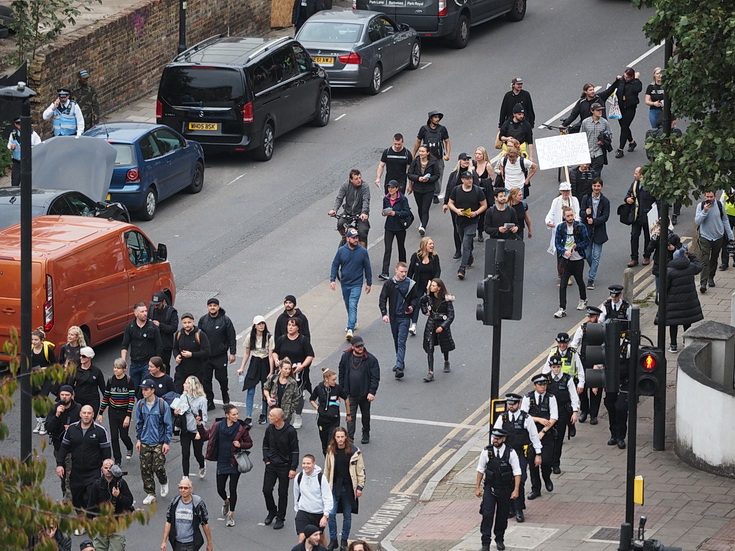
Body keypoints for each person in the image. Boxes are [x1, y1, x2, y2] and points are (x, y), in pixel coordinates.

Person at [493, 394, 542, 523]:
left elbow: (534, 437)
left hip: (521, 453)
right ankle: (510, 508)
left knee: (519, 481)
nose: (511, 406)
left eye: (513, 404)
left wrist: (538, 454)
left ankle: (519, 509)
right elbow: (496, 435)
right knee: (507, 480)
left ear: (519, 404)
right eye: (509, 403)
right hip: (506, 454)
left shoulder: (526, 418)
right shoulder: (502, 418)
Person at [56, 404, 112, 512]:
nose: (86, 415)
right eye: (84, 413)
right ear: (80, 414)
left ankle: (91, 521)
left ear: (93, 415)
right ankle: (81, 521)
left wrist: (106, 469)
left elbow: (106, 453)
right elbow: (63, 448)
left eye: (89, 413)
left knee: (91, 498)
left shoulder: (100, 431)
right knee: (77, 500)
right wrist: (59, 464)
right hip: (76, 471)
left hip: (93, 472)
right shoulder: (72, 429)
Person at [205, 403, 253, 528]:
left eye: (237, 414)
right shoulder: (218, 426)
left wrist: (240, 445)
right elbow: (208, 434)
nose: (236, 416)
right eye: (234, 414)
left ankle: (231, 514)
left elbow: (249, 443)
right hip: (222, 461)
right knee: (220, 489)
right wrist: (199, 426)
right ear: (227, 416)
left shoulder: (241, 428)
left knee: (233, 488)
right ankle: (226, 501)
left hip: (234, 462)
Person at [475, 428, 522, 551]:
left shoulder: (510, 453)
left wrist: (516, 489)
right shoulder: (486, 451)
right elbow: (480, 469)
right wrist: (477, 488)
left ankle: (499, 539)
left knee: (502, 515)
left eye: (497, 438)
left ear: (503, 439)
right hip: (490, 488)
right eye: (494, 438)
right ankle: (485, 543)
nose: (495, 440)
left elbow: (517, 472)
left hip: (505, 488)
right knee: (487, 514)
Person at [323, 427, 365, 551]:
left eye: (342, 437)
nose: (340, 439)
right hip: (334, 486)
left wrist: (359, 487)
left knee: (347, 516)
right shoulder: (331, 450)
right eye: (338, 437)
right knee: (331, 514)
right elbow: (327, 470)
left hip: (348, 487)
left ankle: (344, 541)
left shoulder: (355, 451)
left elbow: (360, 471)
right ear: (334, 438)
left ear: (346, 437)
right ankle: (333, 540)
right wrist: (324, 487)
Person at [330, 227, 372, 341]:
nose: (356, 240)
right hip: (345, 283)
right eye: (353, 238)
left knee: (353, 304)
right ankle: (353, 321)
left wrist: (369, 282)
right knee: (348, 304)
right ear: (347, 238)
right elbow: (335, 265)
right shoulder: (341, 251)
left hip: (357, 283)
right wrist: (332, 280)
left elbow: (367, 267)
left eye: (357, 238)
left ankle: (350, 329)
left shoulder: (363, 252)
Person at [136, 378, 174, 505]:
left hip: (158, 441)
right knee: (145, 468)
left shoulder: (163, 405)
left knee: (158, 467)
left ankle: (163, 481)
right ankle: (150, 493)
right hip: (145, 441)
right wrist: (138, 439)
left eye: (146, 389)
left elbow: (168, 425)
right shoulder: (141, 404)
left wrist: (166, 442)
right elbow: (139, 423)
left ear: (153, 390)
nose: (143, 392)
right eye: (142, 389)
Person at [379, 262, 419, 379]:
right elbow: (383, 298)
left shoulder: (410, 284)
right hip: (393, 317)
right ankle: (400, 360)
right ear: (396, 270)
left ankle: (399, 366)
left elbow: (416, 298)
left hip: (404, 317)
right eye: (401, 271)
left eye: (405, 272)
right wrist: (384, 314)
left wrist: (411, 306)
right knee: (396, 340)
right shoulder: (389, 284)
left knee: (401, 341)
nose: (403, 274)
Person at [262, 407, 300, 531]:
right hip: (271, 465)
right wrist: (266, 460)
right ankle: (272, 511)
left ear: (277, 418)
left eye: (271, 415)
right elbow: (265, 445)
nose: (268, 417)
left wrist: (293, 468)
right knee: (266, 490)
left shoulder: (290, 431)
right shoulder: (270, 429)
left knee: (282, 493)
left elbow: (295, 450)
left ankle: (280, 518)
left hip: (285, 466)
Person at [273, 318, 315, 429]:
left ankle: (298, 415)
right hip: (283, 371)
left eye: (293, 325)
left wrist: (302, 366)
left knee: (298, 394)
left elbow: (310, 355)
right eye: (288, 325)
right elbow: (275, 352)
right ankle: (281, 414)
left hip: (297, 372)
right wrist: (277, 360)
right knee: (281, 392)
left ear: (298, 328)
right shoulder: (281, 339)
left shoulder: (303, 340)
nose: (290, 327)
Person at [521, 374, 558, 500]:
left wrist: (543, 431)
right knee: (532, 464)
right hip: (531, 435)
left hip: (546, 434)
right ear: (535, 385)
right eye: (540, 385)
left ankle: (547, 478)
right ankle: (535, 489)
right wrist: (539, 419)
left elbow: (554, 417)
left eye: (544, 384)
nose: (543, 387)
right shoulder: (528, 397)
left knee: (546, 461)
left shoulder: (551, 398)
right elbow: (524, 416)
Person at [337, 336, 380, 444]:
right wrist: (341, 391)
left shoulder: (371, 359)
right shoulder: (346, 357)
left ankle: (366, 432)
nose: (360, 348)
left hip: (365, 394)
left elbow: (375, 377)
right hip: (350, 394)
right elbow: (341, 373)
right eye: (358, 346)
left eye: (361, 345)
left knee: (365, 415)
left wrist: (372, 392)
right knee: (350, 417)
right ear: (352, 347)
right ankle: (350, 438)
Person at [448, 170, 488, 280]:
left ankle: (462, 269)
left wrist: (475, 213)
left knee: (466, 243)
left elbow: (484, 205)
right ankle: (469, 258)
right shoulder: (457, 190)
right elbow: (450, 203)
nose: (469, 180)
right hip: (460, 221)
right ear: (462, 180)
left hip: (472, 221)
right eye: (467, 179)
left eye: (470, 178)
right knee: (464, 242)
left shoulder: (477, 191)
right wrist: (457, 210)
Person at [198, 298, 236, 411]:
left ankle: (226, 399)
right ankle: (210, 401)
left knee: (222, 379)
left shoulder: (225, 320)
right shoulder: (203, 320)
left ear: (218, 307)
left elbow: (231, 337)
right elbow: (198, 336)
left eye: (214, 305)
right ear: (207, 307)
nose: (212, 307)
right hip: (206, 357)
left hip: (220, 356)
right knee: (206, 380)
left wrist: (232, 353)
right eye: (210, 305)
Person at [87, 460, 134, 551]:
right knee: (100, 548)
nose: (108, 470)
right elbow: (91, 505)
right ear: (102, 469)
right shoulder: (97, 485)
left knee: (117, 547)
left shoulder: (121, 483)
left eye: (110, 468)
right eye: (106, 468)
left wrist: (119, 496)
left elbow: (129, 501)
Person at [45, 384, 81, 501]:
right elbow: (48, 428)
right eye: (62, 395)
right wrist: (56, 415)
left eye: (67, 395)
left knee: (70, 476)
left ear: (72, 396)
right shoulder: (54, 408)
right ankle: (66, 495)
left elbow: (85, 427)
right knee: (63, 475)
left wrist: (72, 429)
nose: (64, 397)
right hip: (59, 447)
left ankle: (69, 499)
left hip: (73, 448)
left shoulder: (78, 408)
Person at [545, 356, 580, 475]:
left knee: (559, 439)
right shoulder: (545, 379)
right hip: (548, 413)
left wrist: (575, 412)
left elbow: (573, 396)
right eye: (554, 367)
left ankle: (556, 464)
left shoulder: (567, 379)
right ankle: (548, 463)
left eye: (558, 367)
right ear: (550, 367)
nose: (556, 369)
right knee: (549, 439)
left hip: (562, 412)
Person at [97, 358, 136, 466]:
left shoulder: (129, 381)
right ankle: (117, 459)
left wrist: (128, 415)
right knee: (114, 437)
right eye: (114, 368)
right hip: (113, 411)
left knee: (123, 435)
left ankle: (129, 446)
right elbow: (106, 397)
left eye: (118, 368)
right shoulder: (110, 380)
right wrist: (101, 413)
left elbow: (131, 399)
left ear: (124, 369)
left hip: (124, 411)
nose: (116, 370)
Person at [238, 315, 275, 425]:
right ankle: (248, 415)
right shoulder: (250, 337)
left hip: (265, 363)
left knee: (265, 390)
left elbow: (270, 355)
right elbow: (247, 353)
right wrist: (242, 367)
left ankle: (264, 413)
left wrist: (271, 371)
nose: (261, 325)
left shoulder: (269, 337)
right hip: (254, 362)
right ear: (254, 325)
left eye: (263, 323)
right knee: (250, 389)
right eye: (259, 324)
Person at [665, 247, 703, 352]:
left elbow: (665, 287)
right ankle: (686, 342)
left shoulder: (669, 270)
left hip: (674, 302)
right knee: (687, 322)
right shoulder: (690, 267)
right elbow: (699, 266)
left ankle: (673, 345)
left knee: (673, 324)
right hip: (688, 300)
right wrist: (692, 256)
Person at [554, 206, 590, 318]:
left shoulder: (580, 226)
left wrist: (577, 246)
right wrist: (564, 252)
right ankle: (562, 308)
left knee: (579, 280)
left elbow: (586, 241)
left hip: (578, 259)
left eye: (571, 215)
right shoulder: (560, 227)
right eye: (568, 216)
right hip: (565, 260)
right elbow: (557, 243)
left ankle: (583, 299)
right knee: (563, 284)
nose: (570, 218)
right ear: (564, 217)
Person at [570, 306, 604, 424]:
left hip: (597, 362)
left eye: (592, 316)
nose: (589, 318)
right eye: (588, 316)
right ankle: (584, 410)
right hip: (583, 361)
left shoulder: (602, 329)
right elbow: (574, 345)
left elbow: (605, 347)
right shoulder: (582, 328)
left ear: (598, 317)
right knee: (582, 387)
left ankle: (594, 414)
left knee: (596, 389)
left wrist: (599, 364)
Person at [695, 190, 734, 293]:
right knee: (704, 259)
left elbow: (725, 220)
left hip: (718, 236)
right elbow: (697, 221)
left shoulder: (720, 205)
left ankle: (711, 277)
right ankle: (703, 282)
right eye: (707, 196)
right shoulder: (700, 206)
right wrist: (704, 211)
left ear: (715, 197)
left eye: (711, 197)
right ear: (704, 196)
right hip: (705, 236)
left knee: (714, 258)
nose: (709, 199)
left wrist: (731, 236)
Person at [161, 477, 213, 551]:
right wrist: (164, 541)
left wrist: (209, 543)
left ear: (191, 489)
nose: (183, 490)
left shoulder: (197, 503)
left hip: (191, 544)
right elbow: (168, 522)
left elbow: (204, 523)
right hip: (177, 543)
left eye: (185, 488)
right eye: (180, 488)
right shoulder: (174, 502)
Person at [419, 278, 455, 382]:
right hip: (431, 323)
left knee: (445, 345)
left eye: (434, 286)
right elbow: (421, 302)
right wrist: (425, 311)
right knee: (430, 348)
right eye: (431, 286)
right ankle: (430, 372)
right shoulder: (429, 297)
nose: (431, 287)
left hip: (441, 323)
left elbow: (451, 316)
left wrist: (442, 326)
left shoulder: (446, 300)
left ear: (439, 288)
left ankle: (446, 361)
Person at [601, 67, 642, 158]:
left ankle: (620, 149)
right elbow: (610, 89)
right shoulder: (620, 81)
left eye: (628, 77)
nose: (626, 78)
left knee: (624, 127)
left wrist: (636, 79)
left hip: (630, 108)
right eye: (625, 76)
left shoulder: (635, 83)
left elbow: (638, 89)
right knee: (624, 126)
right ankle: (631, 142)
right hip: (620, 108)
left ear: (632, 77)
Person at [121, 302, 163, 391]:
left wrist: (156, 363)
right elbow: (125, 345)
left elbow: (159, 345)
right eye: (142, 312)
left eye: (145, 311)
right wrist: (123, 360)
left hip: (147, 364)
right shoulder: (130, 327)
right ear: (135, 314)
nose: (145, 313)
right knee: (134, 389)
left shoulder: (152, 327)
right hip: (134, 364)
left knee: (146, 388)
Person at [412, 109, 450, 205]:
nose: (437, 119)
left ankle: (435, 194)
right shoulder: (424, 129)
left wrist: (447, 153)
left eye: (438, 117)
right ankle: (427, 192)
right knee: (425, 174)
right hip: (426, 157)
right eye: (435, 117)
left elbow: (447, 141)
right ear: (430, 119)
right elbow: (418, 141)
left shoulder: (442, 129)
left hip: (438, 157)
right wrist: (413, 154)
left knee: (438, 175)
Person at [293, 454, 333, 544]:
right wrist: (297, 511)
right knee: (302, 538)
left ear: (314, 464)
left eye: (308, 463)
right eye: (303, 463)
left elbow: (328, 498)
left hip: (318, 513)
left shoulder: (321, 478)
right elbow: (296, 495)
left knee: (319, 540)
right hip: (303, 512)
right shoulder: (299, 477)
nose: (305, 466)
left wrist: (325, 516)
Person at [443, 154, 478, 257]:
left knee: (468, 227)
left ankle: (468, 248)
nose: (466, 161)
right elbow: (449, 189)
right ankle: (458, 249)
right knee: (457, 228)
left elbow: (477, 188)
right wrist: (446, 203)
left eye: (468, 159)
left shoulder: (472, 174)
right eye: (464, 159)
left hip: (469, 205)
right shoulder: (454, 174)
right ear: (459, 161)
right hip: (455, 205)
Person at [545, 182, 580, 281]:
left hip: (571, 231)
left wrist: (576, 224)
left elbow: (577, 213)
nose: (566, 193)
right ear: (560, 191)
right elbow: (551, 213)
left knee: (570, 253)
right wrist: (548, 221)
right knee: (561, 253)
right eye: (564, 191)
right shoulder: (556, 201)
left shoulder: (574, 200)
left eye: (567, 191)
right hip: (560, 231)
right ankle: (563, 275)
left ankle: (568, 273)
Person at [579, 177, 610, 290]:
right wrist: (585, 213)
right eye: (594, 186)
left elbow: (606, 216)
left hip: (599, 231)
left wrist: (595, 221)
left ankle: (591, 279)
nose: (596, 188)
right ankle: (593, 268)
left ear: (601, 187)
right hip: (587, 231)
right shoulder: (586, 198)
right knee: (587, 255)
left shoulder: (605, 201)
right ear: (592, 186)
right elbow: (581, 213)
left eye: (598, 186)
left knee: (596, 256)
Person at [175, 376, 209, 480]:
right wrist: (176, 413)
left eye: (186, 383)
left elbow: (204, 417)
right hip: (185, 430)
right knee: (185, 453)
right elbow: (180, 413)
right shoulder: (183, 397)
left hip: (196, 431)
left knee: (197, 453)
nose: (184, 385)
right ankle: (185, 476)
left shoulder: (202, 400)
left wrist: (200, 431)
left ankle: (202, 465)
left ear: (192, 386)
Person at [310, 369, 350, 455]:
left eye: (335, 379)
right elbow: (312, 399)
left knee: (330, 444)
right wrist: (318, 408)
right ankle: (327, 461)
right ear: (326, 379)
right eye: (333, 380)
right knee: (324, 444)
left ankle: (332, 462)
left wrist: (348, 414)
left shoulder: (337, 388)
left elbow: (346, 399)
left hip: (334, 420)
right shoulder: (319, 388)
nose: (335, 382)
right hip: (322, 421)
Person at [378, 180, 412, 280]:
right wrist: (384, 213)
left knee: (401, 247)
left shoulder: (402, 199)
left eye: (392, 187)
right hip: (389, 227)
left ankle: (403, 270)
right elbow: (384, 209)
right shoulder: (386, 199)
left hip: (400, 227)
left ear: (397, 188)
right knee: (387, 249)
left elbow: (407, 212)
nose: (390, 189)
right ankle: (385, 272)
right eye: (389, 187)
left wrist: (396, 213)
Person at [407, 237, 441, 334]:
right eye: (430, 244)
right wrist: (408, 284)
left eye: (433, 244)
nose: (432, 246)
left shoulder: (435, 257)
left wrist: (433, 282)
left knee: (433, 305)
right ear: (424, 245)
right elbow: (411, 271)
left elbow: (438, 270)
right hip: (418, 284)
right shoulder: (416, 257)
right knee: (417, 303)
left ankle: (435, 325)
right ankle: (413, 325)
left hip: (431, 285)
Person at [329, 169, 371, 247]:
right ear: (351, 180)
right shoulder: (346, 185)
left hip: (360, 213)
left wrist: (364, 213)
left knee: (362, 232)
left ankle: (363, 253)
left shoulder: (365, 186)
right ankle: (345, 237)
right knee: (340, 223)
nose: (359, 180)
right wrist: (334, 210)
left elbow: (366, 200)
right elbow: (339, 198)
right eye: (356, 179)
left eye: (359, 178)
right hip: (348, 211)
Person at [624, 166, 655, 267]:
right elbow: (628, 194)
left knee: (648, 237)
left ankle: (647, 256)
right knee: (634, 236)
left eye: (636, 174)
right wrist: (627, 199)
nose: (634, 175)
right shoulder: (635, 184)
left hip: (647, 215)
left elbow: (656, 200)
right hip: (636, 215)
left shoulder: (651, 186)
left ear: (642, 175)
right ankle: (634, 258)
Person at [407, 145, 441, 236]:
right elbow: (410, 174)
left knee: (425, 208)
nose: (421, 153)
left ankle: (423, 226)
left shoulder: (433, 162)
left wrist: (428, 180)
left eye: (423, 151)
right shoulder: (415, 161)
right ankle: (423, 222)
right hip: (417, 188)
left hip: (428, 189)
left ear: (427, 153)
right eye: (420, 151)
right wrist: (418, 178)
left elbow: (437, 175)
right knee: (420, 207)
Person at [173, 313, 211, 394]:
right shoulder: (179, 334)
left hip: (197, 370)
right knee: (178, 390)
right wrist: (176, 356)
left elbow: (207, 351)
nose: (187, 325)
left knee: (195, 393)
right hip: (182, 369)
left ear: (193, 322)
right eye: (185, 323)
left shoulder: (200, 334)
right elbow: (175, 348)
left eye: (189, 322)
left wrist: (192, 354)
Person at [30, 328, 55, 434]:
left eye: (36, 340)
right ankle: (39, 422)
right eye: (32, 340)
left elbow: (54, 364)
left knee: (42, 399)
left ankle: (44, 423)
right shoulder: (30, 350)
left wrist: (45, 368)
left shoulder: (47, 350)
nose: (34, 342)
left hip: (46, 379)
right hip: (34, 379)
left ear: (41, 340)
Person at [264, 358, 300, 425]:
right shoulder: (273, 378)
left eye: (289, 369)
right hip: (273, 412)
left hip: (285, 415)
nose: (288, 371)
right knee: (272, 433)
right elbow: (266, 388)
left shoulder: (292, 383)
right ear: (280, 368)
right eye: (285, 369)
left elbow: (296, 398)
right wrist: (268, 398)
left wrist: (290, 410)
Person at [6, 116, 41, 186]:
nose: (20, 126)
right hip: (17, 162)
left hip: (29, 161)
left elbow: (39, 145)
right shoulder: (13, 134)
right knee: (15, 181)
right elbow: (9, 145)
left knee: (28, 182)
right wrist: (11, 147)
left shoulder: (32, 134)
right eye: (18, 124)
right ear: (15, 124)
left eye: (22, 124)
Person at [149, 290, 179, 374]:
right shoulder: (151, 310)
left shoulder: (171, 312)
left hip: (165, 345)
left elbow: (173, 328)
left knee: (164, 366)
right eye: (154, 304)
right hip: (153, 345)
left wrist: (160, 325)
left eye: (158, 305)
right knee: (153, 367)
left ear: (164, 302)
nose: (155, 306)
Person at [580, 103, 612, 177]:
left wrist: (603, 141)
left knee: (596, 175)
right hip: (588, 152)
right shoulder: (585, 122)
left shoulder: (604, 123)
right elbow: (581, 136)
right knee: (586, 174)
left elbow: (610, 135)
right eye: (598, 110)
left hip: (599, 153)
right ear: (592, 111)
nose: (600, 112)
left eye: (601, 110)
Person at [70, 346, 105, 414]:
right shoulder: (75, 370)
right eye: (80, 355)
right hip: (78, 400)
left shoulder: (96, 371)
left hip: (93, 400)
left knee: (90, 421)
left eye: (83, 356)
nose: (81, 358)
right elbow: (70, 385)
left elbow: (103, 388)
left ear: (90, 357)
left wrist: (107, 402)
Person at [473, 147, 494, 241]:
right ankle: (473, 230)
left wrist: (482, 181)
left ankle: (480, 231)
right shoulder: (473, 164)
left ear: (484, 155)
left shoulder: (487, 165)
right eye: (476, 154)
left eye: (480, 154)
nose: (477, 156)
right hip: (474, 191)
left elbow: (492, 179)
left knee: (482, 214)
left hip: (484, 192)